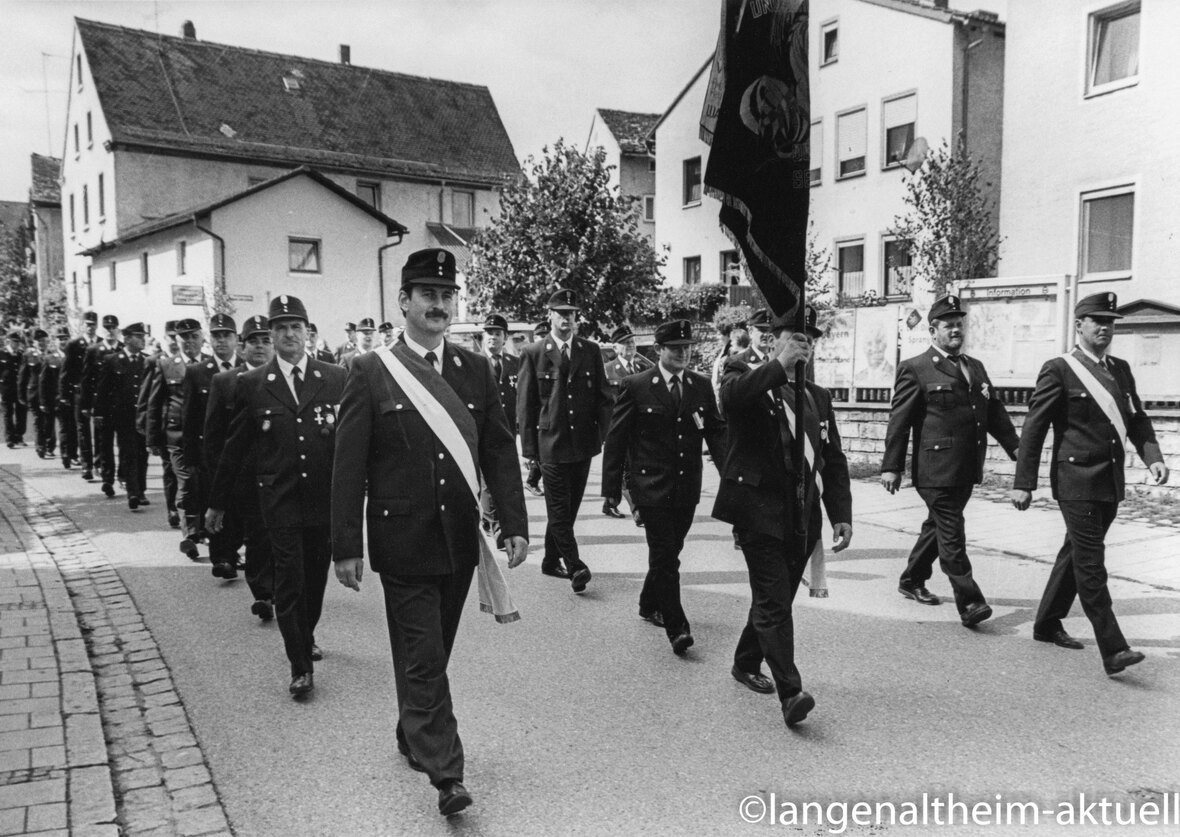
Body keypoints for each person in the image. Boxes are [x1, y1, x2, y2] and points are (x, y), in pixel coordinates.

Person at [332, 248, 528, 817]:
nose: (439, 305)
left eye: (446, 296)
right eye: (428, 295)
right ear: (404, 302)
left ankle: (410, 729)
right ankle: (448, 773)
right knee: (422, 657)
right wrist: (346, 545)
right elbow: (348, 465)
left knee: (432, 652)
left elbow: (497, 449)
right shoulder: (371, 371)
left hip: (458, 541)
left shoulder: (476, 368)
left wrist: (513, 523)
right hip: (401, 541)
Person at [1011, 292, 1168, 676]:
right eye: (1096, 320)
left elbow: (1136, 420)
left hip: (1109, 481)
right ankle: (1113, 648)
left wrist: (1154, 457)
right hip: (1075, 480)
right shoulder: (1060, 369)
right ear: (1079, 324)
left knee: (1076, 553)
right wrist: (1023, 482)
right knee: (1091, 563)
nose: (1105, 327)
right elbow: (1034, 428)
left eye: (1110, 321)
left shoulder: (1121, 369)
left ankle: (1047, 623)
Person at [713, 307, 852, 727]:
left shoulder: (817, 396)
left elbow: (832, 458)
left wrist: (840, 514)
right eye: (794, 337)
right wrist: (778, 365)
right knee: (775, 601)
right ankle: (792, 692)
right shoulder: (745, 373)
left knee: (775, 598)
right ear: (774, 339)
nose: (802, 345)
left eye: (809, 340)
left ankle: (745, 660)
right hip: (758, 511)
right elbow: (731, 401)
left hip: (801, 514)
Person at [207, 295, 346, 697]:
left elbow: (351, 443)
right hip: (279, 501)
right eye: (281, 328)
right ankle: (299, 665)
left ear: (307, 332)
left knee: (316, 578)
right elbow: (234, 448)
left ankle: (307, 632)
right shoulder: (252, 384)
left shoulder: (334, 377)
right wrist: (216, 503)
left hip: (323, 500)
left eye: (295, 327)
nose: (288, 335)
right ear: (271, 334)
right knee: (289, 581)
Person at [881, 294, 1019, 627]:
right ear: (933, 330)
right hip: (935, 469)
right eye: (949, 325)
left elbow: (994, 413)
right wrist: (891, 466)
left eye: (959, 324)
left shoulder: (975, 366)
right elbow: (899, 420)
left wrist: (1018, 449)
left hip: (966, 467)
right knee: (952, 532)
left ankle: (911, 579)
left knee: (938, 527)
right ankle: (970, 602)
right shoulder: (915, 368)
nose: (956, 330)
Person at [602, 319, 726, 655]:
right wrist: (611, 489)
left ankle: (647, 602)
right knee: (666, 557)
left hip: (686, 487)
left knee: (670, 552)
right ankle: (677, 627)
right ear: (658, 350)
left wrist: (733, 479)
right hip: (650, 487)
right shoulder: (636, 385)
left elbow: (716, 434)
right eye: (675, 348)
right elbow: (617, 440)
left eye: (687, 348)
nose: (683, 354)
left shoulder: (700, 385)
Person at [516, 287, 614, 591]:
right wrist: (530, 450)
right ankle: (575, 566)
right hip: (550, 445)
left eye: (571, 315)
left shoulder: (590, 350)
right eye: (561, 314)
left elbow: (604, 398)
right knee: (558, 509)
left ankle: (549, 560)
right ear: (550, 316)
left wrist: (601, 435)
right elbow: (526, 404)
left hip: (583, 444)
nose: (567, 320)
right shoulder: (534, 353)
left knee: (568, 509)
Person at [202, 315, 275, 618]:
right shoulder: (225, 381)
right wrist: (217, 488)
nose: (259, 347)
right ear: (242, 346)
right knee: (259, 535)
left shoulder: (284, 379)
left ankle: (278, 589)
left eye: (265, 340)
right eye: (253, 341)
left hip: (282, 472)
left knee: (278, 536)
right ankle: (265, 593)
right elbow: (215, 438)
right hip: (245, 476)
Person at [180, 314, 244, 578]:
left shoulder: (248, 367)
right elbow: (190, 418)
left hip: (242, 449)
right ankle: (222, 557)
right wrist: (191, 459)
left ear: (236, 339)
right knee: (216, 502)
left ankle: (235, 550)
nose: (221, 341)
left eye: (226, 336)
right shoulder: (198, 372)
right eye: (216, 336)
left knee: (240, 506)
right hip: (212, 452)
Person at [147, 319, 206, 554]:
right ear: (177, 340)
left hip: (204, 436)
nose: (190, 342)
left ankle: (205, 530)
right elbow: (154, 403)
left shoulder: (210, 366)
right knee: (187, 482)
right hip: (178, 437)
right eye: (185, 337)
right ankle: (190, 534)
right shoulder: (166, 365)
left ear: (202, 339)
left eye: (194, 337)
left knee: (205, 484)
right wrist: (153, 439)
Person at [93, 323, 149, 510]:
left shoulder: (147, 361)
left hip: (142, 415)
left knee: (142, 452)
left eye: (143, 336)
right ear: (126, 339)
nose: (143, 339)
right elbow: (102, 389)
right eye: (138, 336)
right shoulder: (112, 360)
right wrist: (99, 412)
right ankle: (133, 492)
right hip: (122, 415)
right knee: (129, 452)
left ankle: (141, 489)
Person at [603, 324, 654, 524]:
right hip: (618, 428)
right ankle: (638, 509)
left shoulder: (644, 368)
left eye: (632, 342)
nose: (630, 346)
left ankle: (610, 502)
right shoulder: (608, 370)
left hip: (640, 428)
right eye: (624, 343)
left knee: (635, 465)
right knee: (625, 468)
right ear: (615, 348)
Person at [79, 315, 123, 497]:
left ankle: (123, 475)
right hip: (102, 405)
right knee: (104, 443)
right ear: (101, 329)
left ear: (117, 330)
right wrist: (86, 404)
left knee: (124, 444)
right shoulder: (93, 350)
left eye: (113, 327)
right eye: (106, 327)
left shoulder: (122, 349)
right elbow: (86, 379)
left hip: (121, 405)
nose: (110, 330)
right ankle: (107, 479)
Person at [60, 312, 99, 477]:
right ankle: (86, 465)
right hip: (80, 393)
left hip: (98, 394)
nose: (90, 327)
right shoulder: (74, 344)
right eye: (88, 324)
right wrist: (64, 395)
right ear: (83, 325)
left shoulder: (102, 344)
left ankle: (99, 464)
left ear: (96, 325)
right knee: (83, 430)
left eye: (93, 324)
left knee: (100, 430)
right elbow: (66, 371)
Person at [38, 328, 73, 467]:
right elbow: (43, 382)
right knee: (62, 427)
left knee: (72, 428)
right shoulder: (49, 358)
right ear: (56, 341)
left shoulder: (75, 357)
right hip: (55, 399)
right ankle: (65, 453)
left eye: (65, 338)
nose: (63, 341)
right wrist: (43, 401)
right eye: (60, 339)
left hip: (72, 399)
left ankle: (72, 453)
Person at [19, 329, 51, 459]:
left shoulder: (52, 354)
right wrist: (21, 395)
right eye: (39, 341)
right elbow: (22, 376)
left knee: (48, 421)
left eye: (44, 340)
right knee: (38, 420)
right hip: (34, 393)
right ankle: (40, 446)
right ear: (34, 342)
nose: (42, 343)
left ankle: (49, 443)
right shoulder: (28, 355)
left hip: (49, 393)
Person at [1, 331, 27, 449]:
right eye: (14, 341)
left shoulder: (21, 354)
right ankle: (9, 439)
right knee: (8, 413)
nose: (16, 344)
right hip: (6, 388)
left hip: (19, 389)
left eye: (17, 342)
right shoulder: (1, 353)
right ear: (8, 341)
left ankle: (19, 436)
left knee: (21, 413)